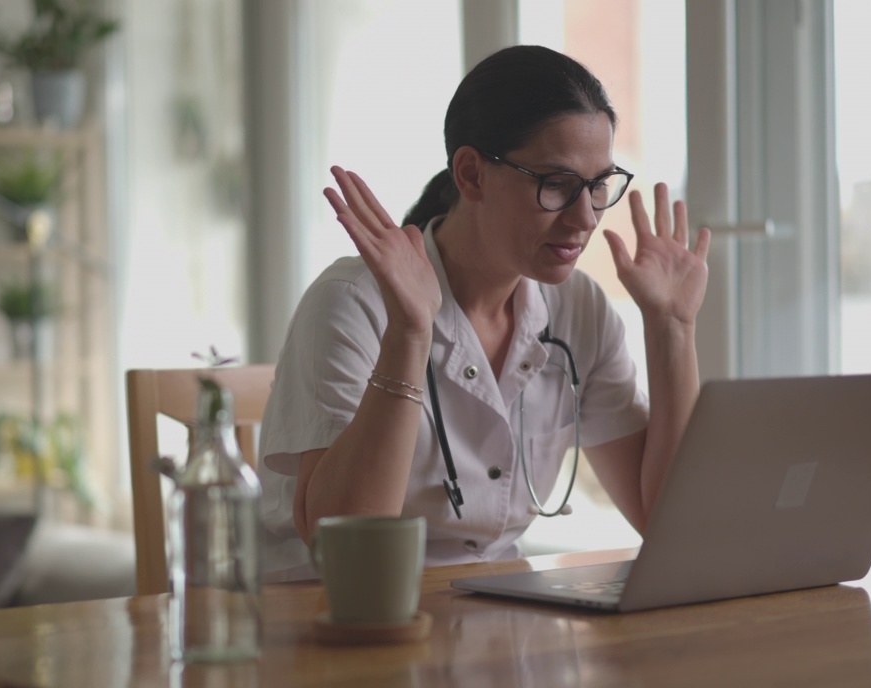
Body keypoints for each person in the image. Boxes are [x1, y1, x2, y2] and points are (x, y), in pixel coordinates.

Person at [257, 45, 710, 582]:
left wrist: (672, 328)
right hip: (337, 619)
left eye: (597, 186)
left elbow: (671, 524)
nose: (585, 218)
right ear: (471, 175)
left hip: (494, 617)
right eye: (557, 184)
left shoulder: (579, 309)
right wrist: (410, 332)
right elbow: (341, 544)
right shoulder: (353, 301)